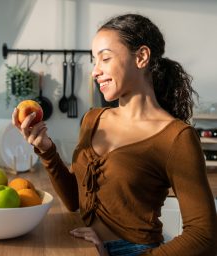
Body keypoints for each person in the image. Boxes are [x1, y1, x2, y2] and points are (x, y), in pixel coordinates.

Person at [12, 13, 217, 256]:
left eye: (105, 58)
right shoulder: (92, 119)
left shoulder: (177, 137)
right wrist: (46, 150)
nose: (95, 72)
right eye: (94, 61)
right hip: (84, 246)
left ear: (141, 57)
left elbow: (204, 236)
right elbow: (74, 201)